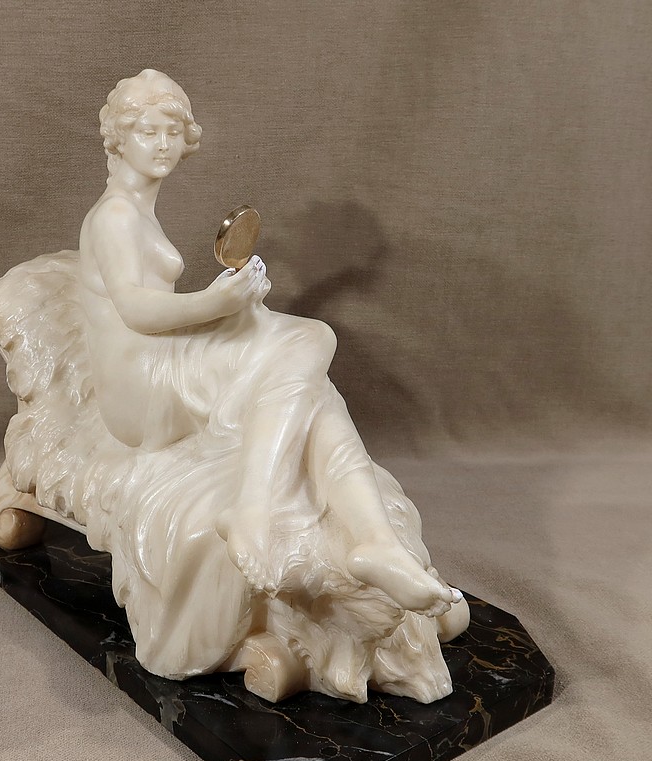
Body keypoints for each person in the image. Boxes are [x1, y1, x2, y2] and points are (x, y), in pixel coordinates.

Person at [77, 69, 462, 619]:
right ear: (119, 137)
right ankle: (254, 511)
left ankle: (375, 542)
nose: (162, 144)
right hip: (138, 387)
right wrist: (215, 304)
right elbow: (134, 309)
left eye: (172, 131)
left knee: (312, 385)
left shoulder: (136, 208)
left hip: (160, 356)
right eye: (147, 131)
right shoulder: (114, 215)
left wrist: (234, 303)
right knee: (310, 337)